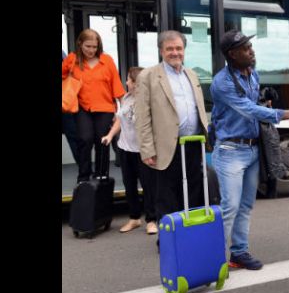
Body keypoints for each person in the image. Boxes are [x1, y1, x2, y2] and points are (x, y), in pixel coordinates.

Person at [210, 30, 289, 270]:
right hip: (230, 150)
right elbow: (248, 109)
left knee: (246, 205)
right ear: (232, 54)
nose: (251, 51)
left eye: (250, 46)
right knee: (230, 207)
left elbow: (255, 105)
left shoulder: (252, 74)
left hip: (253, 149)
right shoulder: (222, 82)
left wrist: (266, 102)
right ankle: (211, 260)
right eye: (245, 49)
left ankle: (239, 253)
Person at [135, 30, 209, 250]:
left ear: (184, 50)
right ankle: (168, 243)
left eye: (178, 48)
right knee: (167, 196)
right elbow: (142, 116)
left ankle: (192, 239)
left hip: (193, 143)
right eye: (170, 49)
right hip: (166, 147)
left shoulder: (192, 74)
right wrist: (147, 149)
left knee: (194, 194)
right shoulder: (148, 76)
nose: (175, 53)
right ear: (161, 51)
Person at [100, 67, 159, 234]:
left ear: (136, 83)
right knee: (129, 185)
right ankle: (134, 218)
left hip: (143, 151)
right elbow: (120, 120)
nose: (126, 82)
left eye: (128, 80)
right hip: (125, 149)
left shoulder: (149, 100)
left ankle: (151, 220)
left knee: (148, 186)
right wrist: (110, 135)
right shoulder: (126, 98)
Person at [62, 29, 125, 183]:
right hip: (82, 107)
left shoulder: (107, 61)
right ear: (80, 44)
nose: (91, 50)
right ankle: (83, 176)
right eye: (88, 46)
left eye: (94, 47)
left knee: (102, 140)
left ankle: (101, 174)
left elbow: (116, 85)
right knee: (85, 139)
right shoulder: (72, 59)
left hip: (105, 107)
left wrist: (123, 108)